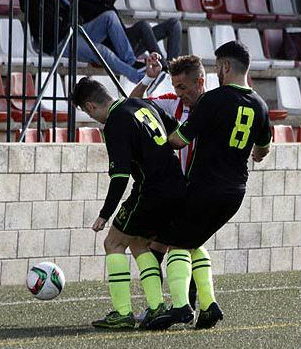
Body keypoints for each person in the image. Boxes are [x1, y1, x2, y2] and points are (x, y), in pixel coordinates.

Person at [145, 41, 272, 330]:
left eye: (218, 67)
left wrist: (156, 143)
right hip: (235, 193)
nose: (217, 73)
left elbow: (179, 139)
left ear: (225, 67)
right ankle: (210, 305)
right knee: (193, 242)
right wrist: (254, 152)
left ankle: (180, 308)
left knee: (173, 242)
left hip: (205, 187)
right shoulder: (260, 104)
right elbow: (263, 150)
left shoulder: (213, 100)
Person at [71, 75, 188, 329]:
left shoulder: (115, 122)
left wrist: (105, 213)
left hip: (151, 190)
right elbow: (177, 132)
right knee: (137, 241)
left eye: (89, 114)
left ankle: (123, 312)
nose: (93, 118)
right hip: (176, 184)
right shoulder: (143, 104)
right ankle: (157, 308)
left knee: (113, 243)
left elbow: (120, 175)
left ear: (91, 106)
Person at [130, 53, 221, 328]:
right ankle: (190, 307)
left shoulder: (217, 107)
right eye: (175, 87)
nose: (178, 93)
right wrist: (148, 77)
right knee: (175, 245)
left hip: (199, 191)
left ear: (200, 82)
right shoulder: (172, 103)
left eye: (183, 87)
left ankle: (174, 308)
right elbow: (132, 105)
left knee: (167, 245)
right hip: (173, 190)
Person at [22, 0, 145, 83]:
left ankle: (130, 61)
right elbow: (48, 27)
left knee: (110, 16)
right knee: (102, 51)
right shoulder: (35, 3)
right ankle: (137, 77)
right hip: (58, 41)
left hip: (72, 31)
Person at [78, 0, 182, 72]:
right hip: (111, 51)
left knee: (174, 24)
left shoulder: (108, 5)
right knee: (142, 26)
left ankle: (173, 69)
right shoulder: (84, 5)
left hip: (126, 46)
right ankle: (164, 70)